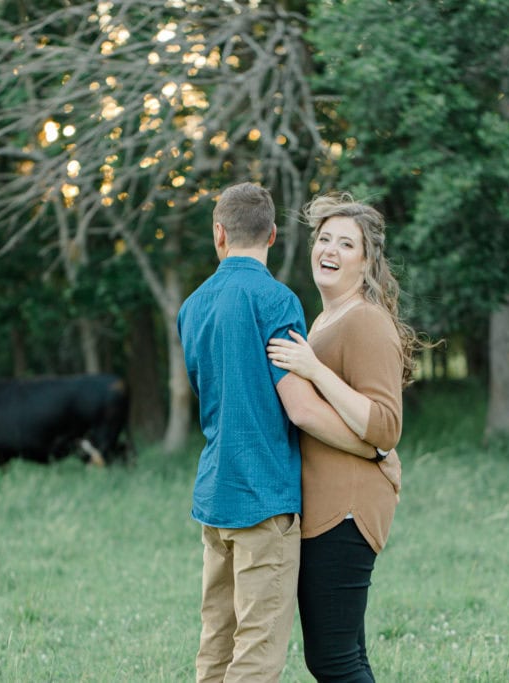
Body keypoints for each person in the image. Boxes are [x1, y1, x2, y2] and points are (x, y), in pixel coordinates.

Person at [177, 182, 376, 683]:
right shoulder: (277, 300)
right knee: (258, 653)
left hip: (214, 495)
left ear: (219, 234)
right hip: (264, 500)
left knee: (216, 645)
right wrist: (370, 447)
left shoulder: (192, 307)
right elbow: (302, 410)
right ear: (271, 236)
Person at [267, 192, 417, 683]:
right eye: (324, 238)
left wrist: (313, 367)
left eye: (345, 243)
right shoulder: (327, 319)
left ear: (367, 260)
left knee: (332, 660)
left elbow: (385, 424)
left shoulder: (365, 320)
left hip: (346, 510)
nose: (329, 249)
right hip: (329, 504)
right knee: (347, 656)